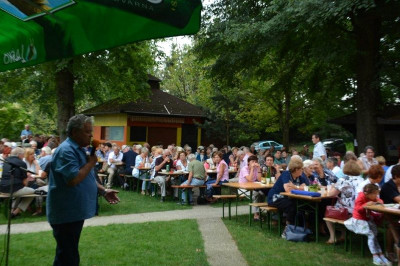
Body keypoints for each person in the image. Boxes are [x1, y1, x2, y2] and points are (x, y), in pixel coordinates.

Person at [47, 114, 119, 266]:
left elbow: (86, 177)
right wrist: (91, 163)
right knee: (68, 257)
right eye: (87, 131)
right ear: (74, 132)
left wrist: (103, 190)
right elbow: (73, 179)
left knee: (67, 254)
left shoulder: (79, 149)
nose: (91, 135)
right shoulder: (66, 151)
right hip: (65, 213)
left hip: (74, 212)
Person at [344, 184, 391, 265]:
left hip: (367, 219)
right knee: (371, 235)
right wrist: (366, 205)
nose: (376, 196)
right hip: (358, 220)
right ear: (368, 194)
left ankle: (380, 254)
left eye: (377, 194)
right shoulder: (361, 197)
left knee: (375, 234)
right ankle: (375, 256)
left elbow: (380, 200)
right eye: (375, 194)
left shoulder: (371, 197)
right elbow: (358, 209)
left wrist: (379, 201)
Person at [325, 160, 364, 244]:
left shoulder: (343, 180)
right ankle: (343, 235)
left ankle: (332, 237)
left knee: (328, 215)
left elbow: (331, 194)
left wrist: (333, 186)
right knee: (340, 207)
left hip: (347, 211)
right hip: (358, 210)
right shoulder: (362, 180)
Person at [267, 159, 308, 233]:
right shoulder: (286, 174)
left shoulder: (300, 177)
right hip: (276, 197)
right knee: (291, 205)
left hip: (289, 198)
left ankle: (301, 230)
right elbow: (287, 189)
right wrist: (299, 187)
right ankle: (288, 229)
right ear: (296, 169)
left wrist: (295, 187)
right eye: (301, 169)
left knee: (301, 205)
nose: (302, 170)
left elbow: (306, 187)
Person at [0, 147, 35, 218]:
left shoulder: (6, 161)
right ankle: (16, 212)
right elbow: (25, 183)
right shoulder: (22, 163)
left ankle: (12, 210)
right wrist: (27, 179)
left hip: (2, 188)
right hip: (13, 189)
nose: (23, 157)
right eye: (23, 155)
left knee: (20, 190)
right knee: (33, 192)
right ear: (19, 155)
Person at [239, 155, 263, 220]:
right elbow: (249, 179)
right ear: (248, 162)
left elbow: (260, 179)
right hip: (244, 188)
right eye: (252, 161)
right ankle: (256, 214)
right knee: (256, 194)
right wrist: (252, 169)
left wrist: (258, 169)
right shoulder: (244, 169)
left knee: (262, 193)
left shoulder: (256, 168)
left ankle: (259, 212)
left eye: (255, 161)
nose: (254, 163)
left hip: (253, 188)